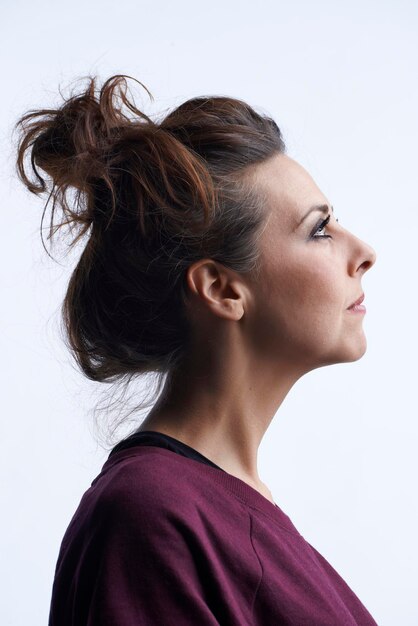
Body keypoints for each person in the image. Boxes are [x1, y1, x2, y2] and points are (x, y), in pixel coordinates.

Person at [15, 74, 378, 625]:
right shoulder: (152, 516)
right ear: (222, 290)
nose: (365, 252)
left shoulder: (211, 508)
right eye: (319, 230)